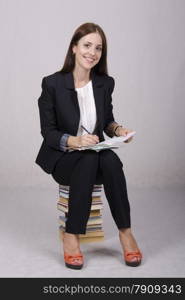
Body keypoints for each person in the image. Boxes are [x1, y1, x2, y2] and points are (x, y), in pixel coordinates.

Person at [35, 22, 142, 270]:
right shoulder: (52, 84)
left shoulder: (105, 83)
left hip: (92, 154)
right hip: (63, 158)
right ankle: (72, 235)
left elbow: (107, 122)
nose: (92, 53)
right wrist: (75, 141)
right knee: (89, 158)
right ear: (74, 48)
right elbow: (48, 132)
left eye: (98, 48)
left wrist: (119, 130)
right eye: (86, 45)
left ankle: (125, 232)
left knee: (110, 160)